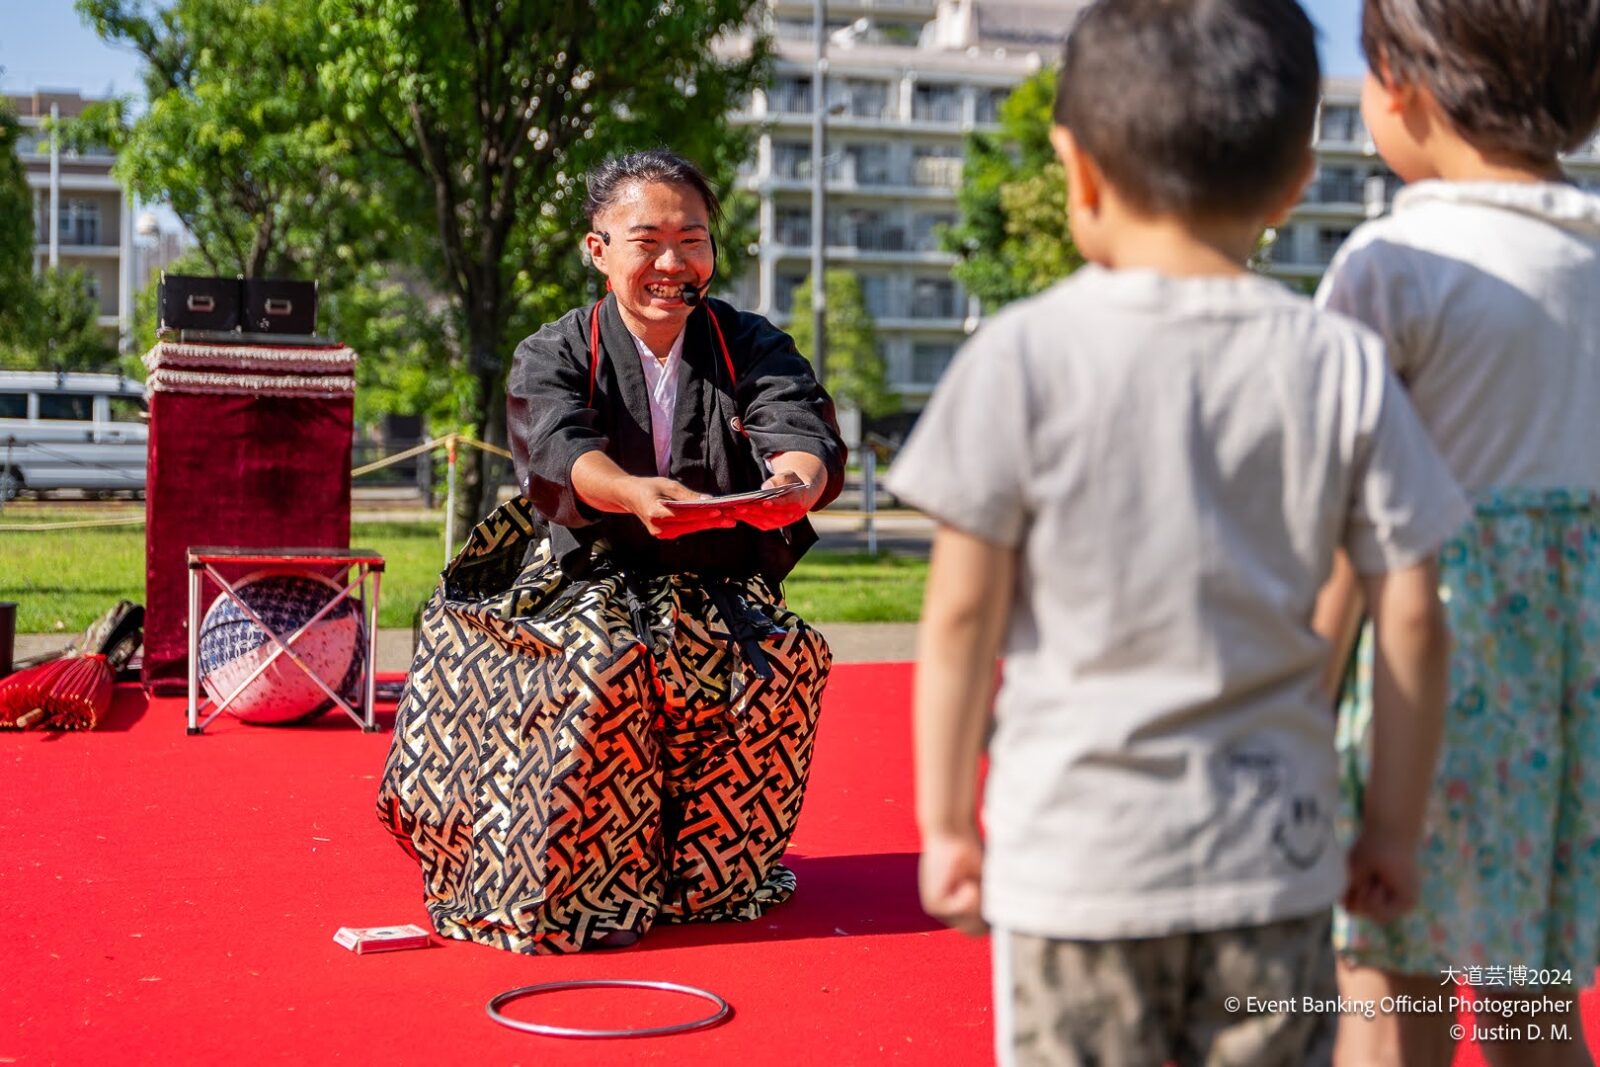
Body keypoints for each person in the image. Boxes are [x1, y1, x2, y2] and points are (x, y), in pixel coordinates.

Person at [887, 1, 1470, 1063]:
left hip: (1076, 862)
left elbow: (961, 611)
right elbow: (1411, 617)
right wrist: (1389, 824)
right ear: (1295, 183)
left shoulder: (1018, 358)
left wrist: (943, 821)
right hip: (1275, 855)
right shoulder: (1339, 363)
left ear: (1077, 168)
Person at [378, 149, 846, 954]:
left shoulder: (751, 342)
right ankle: (581, 880)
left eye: (692, 240)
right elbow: (558, 447)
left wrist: (796, 484)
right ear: (598, 249)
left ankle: (709, 879)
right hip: (586, 578)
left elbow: (799, 431)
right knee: (602, 665)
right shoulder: (552, 348)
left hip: (715, 581)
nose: (673, 263)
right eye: (648, 241)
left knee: (788, 660)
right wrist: (632, 492)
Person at [1309, 2, 1600, 1063]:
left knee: (1392, 997)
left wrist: (1290, 696)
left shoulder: (1396, 264)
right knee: (1536, 1011)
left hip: (1426, 680)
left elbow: (1347, 526)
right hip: (1575, 704)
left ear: (1399, 83)